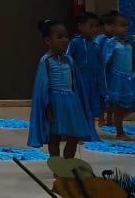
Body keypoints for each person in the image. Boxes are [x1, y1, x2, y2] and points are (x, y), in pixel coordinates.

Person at [28, 19, 97, 158]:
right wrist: (47, 109)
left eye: (66, 36)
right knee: (55, 136)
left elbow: (75, 84)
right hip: (55, 102)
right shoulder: (46, 61)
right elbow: (42, 88)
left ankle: (68, 164)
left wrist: (79, 103)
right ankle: (57, 166)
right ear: (48, 41)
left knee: (73, 135)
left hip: (71, 102)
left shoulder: (69, 60)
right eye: (59, 37)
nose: (64, 40)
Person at [101, 12, 135, 141]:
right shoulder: (111, 43)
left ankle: (114, 121)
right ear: (112, 27)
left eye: (127, 25)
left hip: (128, 78)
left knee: (129, 105)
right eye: (123, 25)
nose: (126, 28)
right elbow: (105, 60)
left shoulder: (128, 44)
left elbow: (133, 61)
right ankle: (119, 131)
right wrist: (103, 79)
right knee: (119, 105)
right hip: (116, 80)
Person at [66, 11, 105, 132]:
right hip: (79, 82)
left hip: (93, 82)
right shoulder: (75, 43)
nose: (94, 29)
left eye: (96, 26)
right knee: (80, 107)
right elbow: (68, 59)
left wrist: (101, 83)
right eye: (91, 26)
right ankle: (77, 132)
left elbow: (100, 65)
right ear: (80, 26)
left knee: (92, 107)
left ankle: (90, 131)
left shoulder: (96, 46)